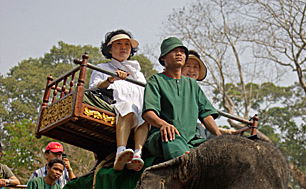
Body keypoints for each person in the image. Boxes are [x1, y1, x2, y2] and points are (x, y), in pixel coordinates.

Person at [142, 37, 221, 161]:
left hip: (192, 139)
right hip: (165, 138)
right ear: (163, 57)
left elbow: (206, 114)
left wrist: (219, 136)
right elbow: (148, 113)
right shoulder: (156, 80)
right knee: (173, 140)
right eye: (174, 51)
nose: (179, 54)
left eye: (182, 52)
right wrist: (163, 125)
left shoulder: (192, 84)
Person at [89, 29, 149, 172]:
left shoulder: (138, 74)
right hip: (114, 107)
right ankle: (120, 151)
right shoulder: (102, 68)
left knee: (145, 114)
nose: (123, 47)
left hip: (137, 113)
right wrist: (110, 79)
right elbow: (93, 88)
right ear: (110, 49)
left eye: (127, 44)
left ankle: (137, 153)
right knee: (127, 107)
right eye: (119, 44)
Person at [182, 50, 238, 138]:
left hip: (197, 130)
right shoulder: (170, 84)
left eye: (195, 67)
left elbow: (206, 115)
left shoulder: (196, 90)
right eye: (188, 66)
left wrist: (222, 133)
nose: (191, 70)